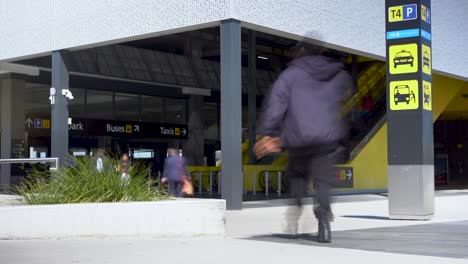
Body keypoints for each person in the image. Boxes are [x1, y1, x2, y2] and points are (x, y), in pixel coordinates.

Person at [254, 41, 350, 243]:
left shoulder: (291, 74)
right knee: (323, 181)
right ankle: (324, 218)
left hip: (299, 138)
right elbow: (347, 100)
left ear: (302, 52)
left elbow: (276, 103)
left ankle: (294, 214)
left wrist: (268, 132)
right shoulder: (339, 74)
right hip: (327, 139)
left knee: (297, 176)